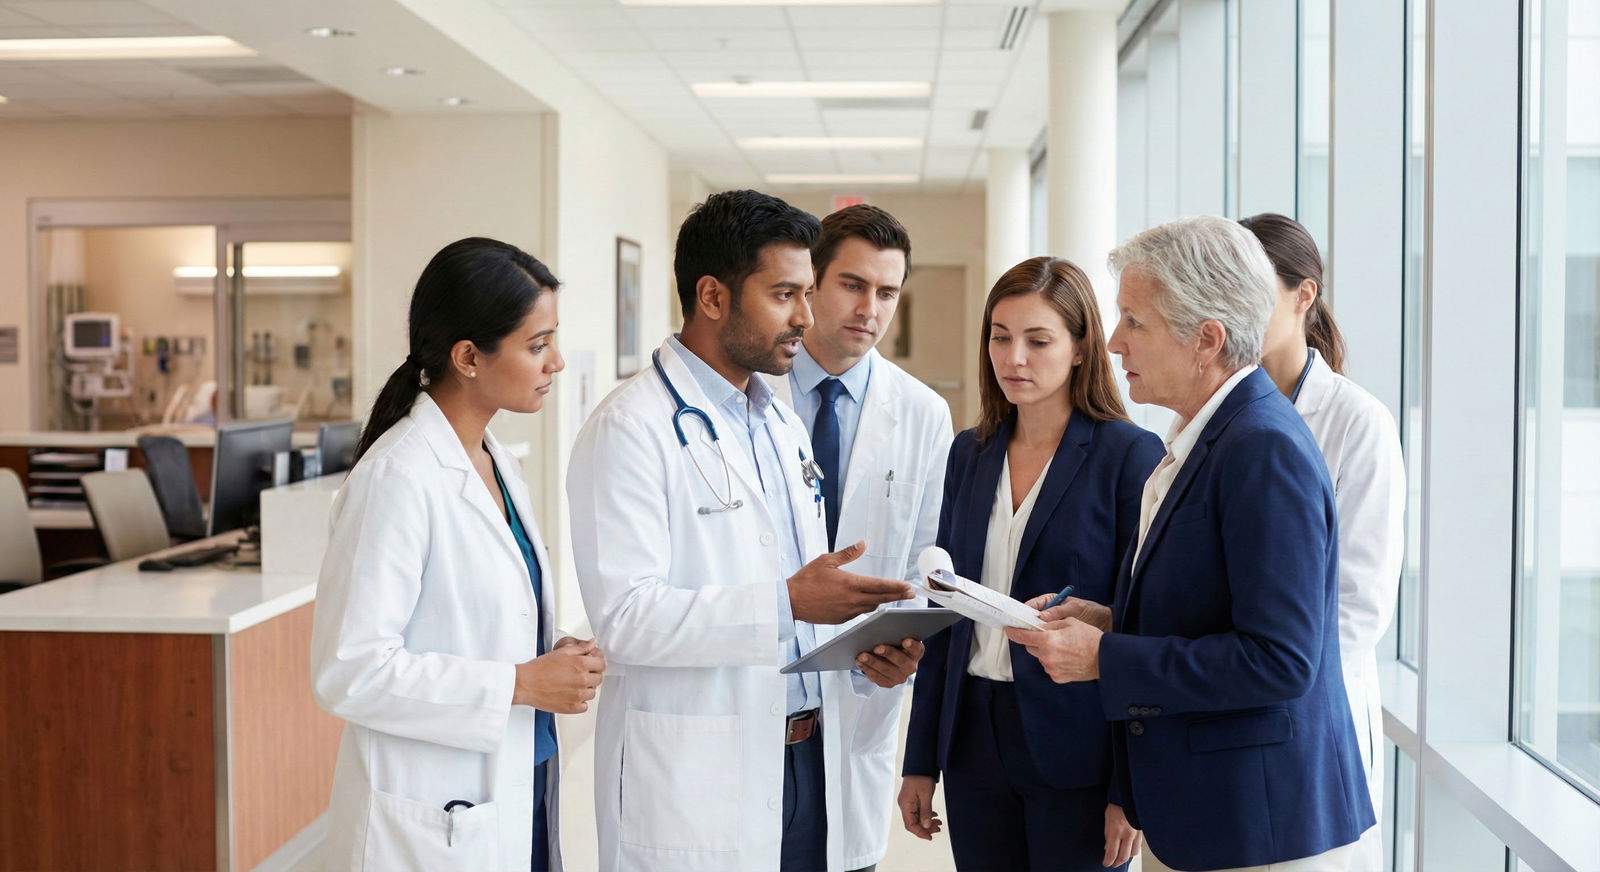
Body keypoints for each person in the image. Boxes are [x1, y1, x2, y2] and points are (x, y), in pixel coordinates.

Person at [1005, 216, 1374, 871]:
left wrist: (1106, 658)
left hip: (1258, 826)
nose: (1114, 343)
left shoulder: (1261, 448)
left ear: (1206, 339)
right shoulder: (1212, 437)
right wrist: (1112, 622)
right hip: (1214, 811)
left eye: (1134, 322)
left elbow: (1281, 660)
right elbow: (1216, 611)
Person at [567, 190, 918, 872]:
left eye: (809, 293)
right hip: (697, 777)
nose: (806, 318)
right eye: (785, 294)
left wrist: (865, 654)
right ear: (713, 296)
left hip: (807, 761)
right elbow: (626, 618)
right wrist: (786, 603)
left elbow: (795, 595)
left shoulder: (776, 421)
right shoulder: (631, 429)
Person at [311, 238, 606, 871]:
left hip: (520, 778)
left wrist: (548, 649)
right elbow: (350, 670)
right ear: (468, 357)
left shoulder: (495, 461)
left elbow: (467, 614)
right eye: (537, 344)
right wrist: (519, 683)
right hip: (435, 814)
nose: (556, 362)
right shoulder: (398, 477)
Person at [899, 257, 1163, 871]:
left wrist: (1127, 792)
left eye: (1037, 340)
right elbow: (947, 607)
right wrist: (920, 759)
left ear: (1078, 348)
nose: (1013, 357)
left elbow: (1140, 625)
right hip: (973, 738)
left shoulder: (1129, 455)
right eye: (1000, 336)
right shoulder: (970, 453)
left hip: (1077, 745)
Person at [766, 204, 953, 872]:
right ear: (812, 284)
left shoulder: (925, 414)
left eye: (888, 292)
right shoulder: (753, 396)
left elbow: (927, 569)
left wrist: (906, 646)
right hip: (757, 696)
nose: (870, 308)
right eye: (853, 285)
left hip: (858, 703)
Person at [1241, 212, 1404, 870]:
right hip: (1236, 713)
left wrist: (1258, 677)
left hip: (1309, 716)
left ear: (1303, 296)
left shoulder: (1356, 421)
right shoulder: (1220, 411)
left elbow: (1359, 605)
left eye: (1250, 288)